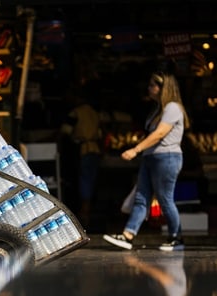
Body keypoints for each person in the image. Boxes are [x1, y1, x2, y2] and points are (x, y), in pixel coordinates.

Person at [103, 71, 189, 251]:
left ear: (162, 88)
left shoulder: (173, 107)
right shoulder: (158, 109)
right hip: (151, 157)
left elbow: (159, 134)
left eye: (152, 85)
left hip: (166, 157)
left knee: (165, 199)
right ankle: (128, 235)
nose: (149, 88)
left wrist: (135, 149)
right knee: (141, 198)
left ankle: (176, 237)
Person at [60, 81, 105, 228]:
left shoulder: (76, 113)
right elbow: (99, 133)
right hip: (95, 149)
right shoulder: (94, 113)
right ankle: (87, 211)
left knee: (83, 181)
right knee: (91, 180)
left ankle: (84, 214)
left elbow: (65, 132)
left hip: (82, 149)